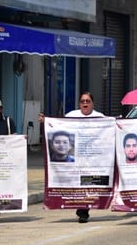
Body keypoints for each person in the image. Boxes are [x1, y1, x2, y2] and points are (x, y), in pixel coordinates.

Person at [40, 91, 105, 223]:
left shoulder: (100, 117)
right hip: (76, 158)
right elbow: (58, 125)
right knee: (78, 184)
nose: (85, 103)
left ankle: (84, 210)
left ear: (93, 103)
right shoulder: (71, 116)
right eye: (83, 101)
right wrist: (45, 121)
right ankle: (81, 210)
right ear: (79, 104)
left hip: (92, 159)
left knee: (89, 185)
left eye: (88, 101)